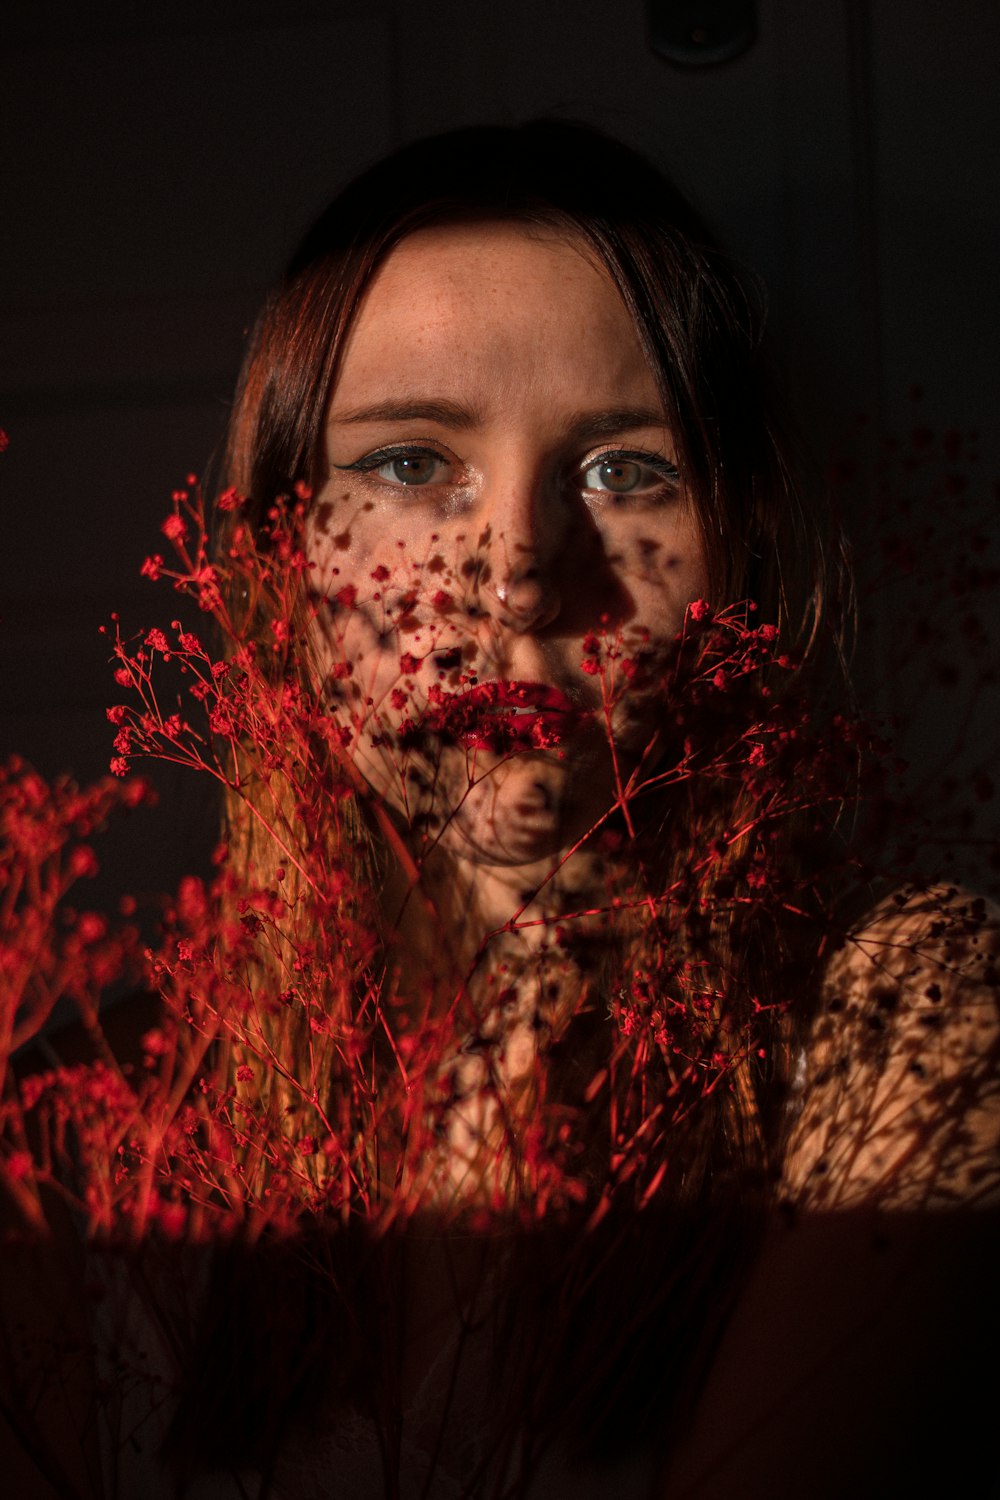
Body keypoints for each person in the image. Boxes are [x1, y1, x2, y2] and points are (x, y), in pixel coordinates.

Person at [7, 121, 996, 1499]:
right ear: (277, 563)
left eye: (625, 471)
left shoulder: (903, 1025)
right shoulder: (69, 1139)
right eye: (413, 463)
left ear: (743, 550)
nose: (520, 572)